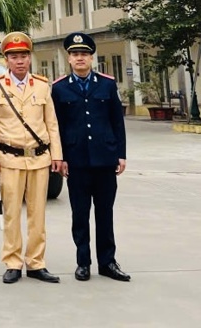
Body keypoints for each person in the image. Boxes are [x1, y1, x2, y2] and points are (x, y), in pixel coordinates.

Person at [51, 32, 130, 282]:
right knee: (80, 215)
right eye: (75, 54)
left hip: (105, 160)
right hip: (77, 162)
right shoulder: (59, 88)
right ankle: (83, 262)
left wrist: (121, 154)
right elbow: (57, 127)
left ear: (91, 57)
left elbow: (117, 122)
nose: (80, 58)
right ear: (69, 58)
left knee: (105, 214)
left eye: (84, 54)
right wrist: (60, 157)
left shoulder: (107, 84)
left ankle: (107, 262)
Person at [0, 32, 63, 284]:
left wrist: (57, 155)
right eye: (14, 57)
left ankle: (36, 262)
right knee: (11, 214)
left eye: (24, 56)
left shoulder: (41, 85)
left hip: (39, 159)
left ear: (30, 58)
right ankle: (13, 262)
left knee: (37, 214)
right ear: (6, 59)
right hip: (10, 159)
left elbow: (51, 123)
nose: (19, 61)